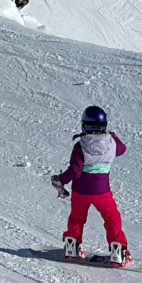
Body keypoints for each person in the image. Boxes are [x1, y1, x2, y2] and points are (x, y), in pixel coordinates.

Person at [50, 105, 129, 266]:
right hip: (102, 192)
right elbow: (122, 149)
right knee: (111, 218)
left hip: (80, 191)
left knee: (76, 219)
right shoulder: (112, 143)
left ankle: (72, 247)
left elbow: (75, 171)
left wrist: (61, 179)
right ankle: (117, 250)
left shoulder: (80, 145)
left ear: (84, 125)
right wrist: (111, 134)